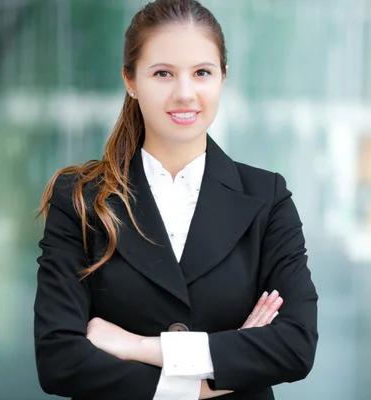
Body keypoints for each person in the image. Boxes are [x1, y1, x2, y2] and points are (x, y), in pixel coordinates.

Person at [33, 0, 318, 399]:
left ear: (223, 77)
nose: (185, 93)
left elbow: (295, 344)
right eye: (163, 73)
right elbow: (59, 358)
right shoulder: (80, 199)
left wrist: (140, 347)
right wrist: (203, 385)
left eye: (202, 72)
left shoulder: (267, 198)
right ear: (130, 81)